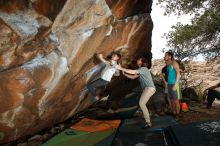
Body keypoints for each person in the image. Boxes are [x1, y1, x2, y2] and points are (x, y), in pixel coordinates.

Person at [117, 57, 156, 128]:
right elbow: (133, 77)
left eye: (139, 59)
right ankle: (147, 121)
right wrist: (124, 74)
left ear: (141, 62)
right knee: (142, 103)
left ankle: (148, 122)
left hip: (149, 88)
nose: (137, 60)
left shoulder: (144, 69)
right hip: (147, 89)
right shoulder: (140, 70)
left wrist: (121, 68)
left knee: (141, 103)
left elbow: (133, 72)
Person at [163, 51, 181, 117]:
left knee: (176, 101)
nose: (164, 56)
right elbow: (167, 75)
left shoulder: (174, 63)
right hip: (169, 84)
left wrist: (175, 85)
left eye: (166, 55)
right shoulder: (168, 65)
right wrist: (166, 83)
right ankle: (174, 113)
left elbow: (178, 75)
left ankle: (178, 115)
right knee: (172, 100)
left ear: (170, 56)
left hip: (175, 84)